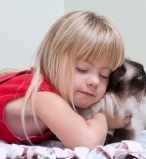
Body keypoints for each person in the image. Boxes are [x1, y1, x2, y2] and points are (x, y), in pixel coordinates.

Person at [0, 11, 131, 150]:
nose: (95, 81)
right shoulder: (44, 97)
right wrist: (104, 117)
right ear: (53, 60)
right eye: (82, 69)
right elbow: (87, 142)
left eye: (104, 75)